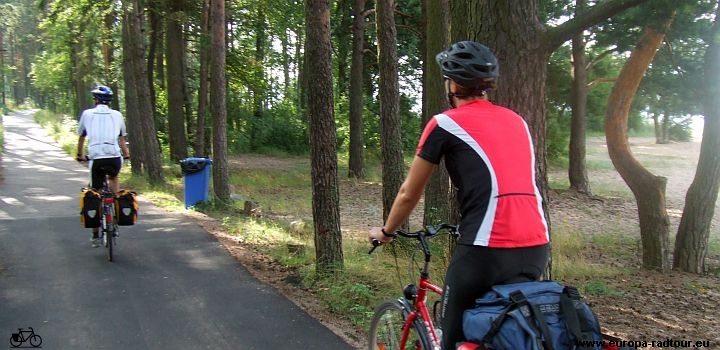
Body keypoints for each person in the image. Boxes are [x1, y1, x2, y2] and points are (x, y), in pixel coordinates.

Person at [368, 41, 550, 349]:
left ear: (452, 84)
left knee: (452, 338)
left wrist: (386, 233)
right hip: (536, 246)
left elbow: (409, 193)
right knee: (506, 330)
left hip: (485, 249)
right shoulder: (517, 121)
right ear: (486, 86)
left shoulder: (444, 124)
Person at [76, 85, 130, 247]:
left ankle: (95, 235)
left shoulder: (87, 114)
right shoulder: (117, 115)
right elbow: (121, 140)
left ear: (95, 100)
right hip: (114, 157)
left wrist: (79, 155)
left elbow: (81, 137)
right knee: (114, 176)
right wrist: (126, 154)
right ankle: (115, 209)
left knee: (94, 193)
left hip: (96, 157)